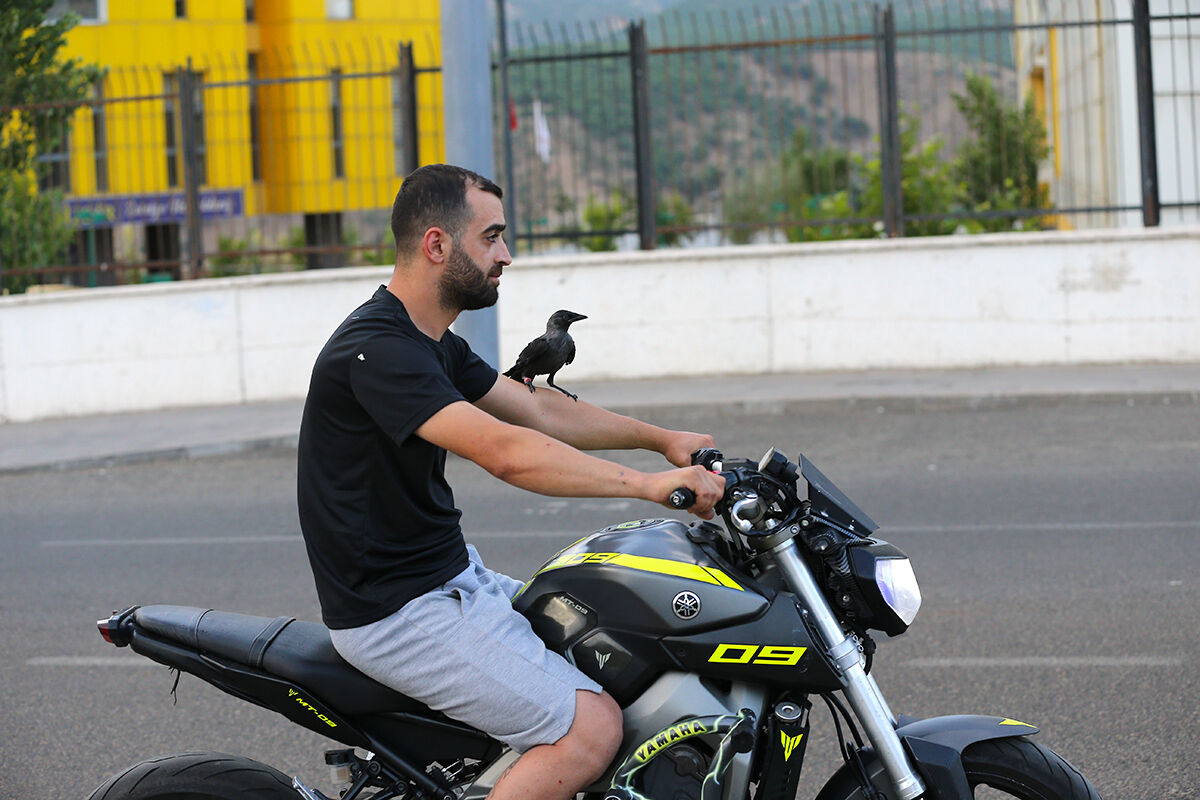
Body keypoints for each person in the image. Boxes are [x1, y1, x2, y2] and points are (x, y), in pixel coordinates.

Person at [296, 163, 726, 800]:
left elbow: (535, 408)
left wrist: (662, 438)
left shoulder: (432, 342)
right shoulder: (377, 349)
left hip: (450, 580)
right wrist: (648, 484)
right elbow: (507, 452)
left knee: (621, 649)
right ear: (437, 244)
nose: (507, 255)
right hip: (395, 612)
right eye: (492, 237)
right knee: (589, 729)